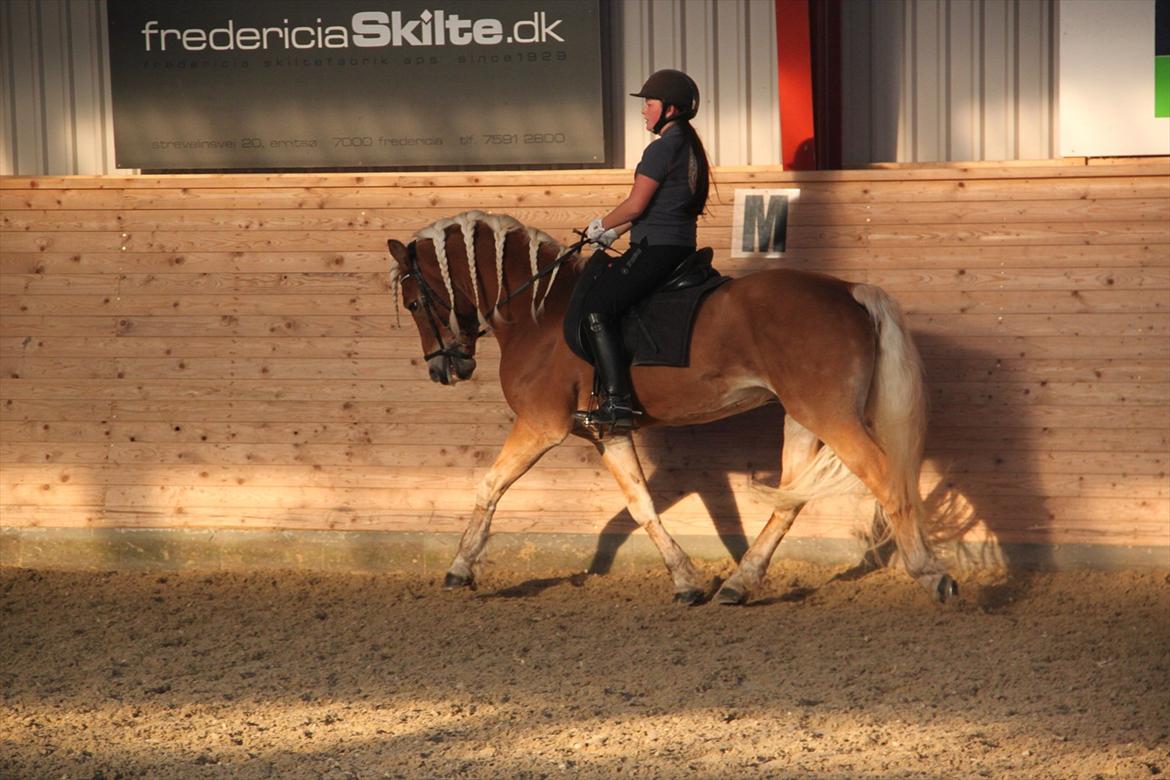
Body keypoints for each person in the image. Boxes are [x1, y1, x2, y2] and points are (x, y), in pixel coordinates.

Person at [566, 68, 711, 434]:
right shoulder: (690, 148)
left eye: (650, 103)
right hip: (679, 247)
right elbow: (652, 210)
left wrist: (601, 224)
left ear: (670, 109)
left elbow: (634, 205)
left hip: (656, 249)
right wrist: (613, 234)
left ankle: (617, 401)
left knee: (596, 310)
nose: (644, 110)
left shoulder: (661, 149)